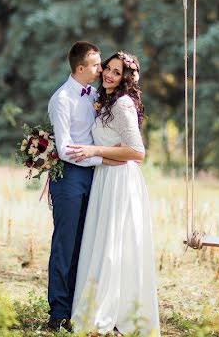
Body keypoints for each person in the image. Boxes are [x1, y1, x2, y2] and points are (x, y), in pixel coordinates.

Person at [67, 51, 160, 336]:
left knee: (115, 247)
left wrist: (94, 151)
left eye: (116, 72)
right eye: (107, 68)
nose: (108, 74)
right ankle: (103, 306)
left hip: (121, 183)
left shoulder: (122, 104)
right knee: (104, 244)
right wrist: (100, 158)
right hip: (106, 177)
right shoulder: (106, 101)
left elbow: (137, 152)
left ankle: (115, 312)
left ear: (126, 79)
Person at [46, 41, 119, 332]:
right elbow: (64, 149)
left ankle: (81, 307)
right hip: (70, 178)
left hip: (97, 176)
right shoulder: (61, 99)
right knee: (66, 244)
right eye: (96, 65)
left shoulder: (98, 96)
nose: (101, 70)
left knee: (90, 242)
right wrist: (101, 158)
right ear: (80, 68)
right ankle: (58, 312)